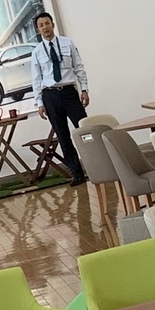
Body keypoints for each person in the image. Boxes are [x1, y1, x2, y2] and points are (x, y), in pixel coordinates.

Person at [27, 12, 91, 185]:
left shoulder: (67, 43)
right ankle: (77, 173)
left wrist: (84, 89)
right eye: (41, 25)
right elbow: (36, 80)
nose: (45, 27)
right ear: (38, 29)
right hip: (50, 96)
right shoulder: (36, 52)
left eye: (47, 23)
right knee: (63, 136)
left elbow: (79, 67)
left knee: (84, 130)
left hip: (69, 93)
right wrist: (39, 103)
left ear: (53, 25)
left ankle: (96, 165)